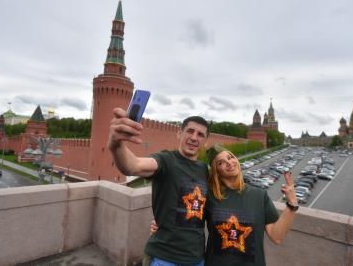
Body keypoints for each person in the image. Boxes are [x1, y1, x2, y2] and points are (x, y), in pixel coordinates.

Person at [151, 145, 298, 266]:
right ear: (216, 172)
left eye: (230, 157)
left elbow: (277, 236)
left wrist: (291, 205)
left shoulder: (259, 195)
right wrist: (161, 225)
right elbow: (185, 219)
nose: (229, 163)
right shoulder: (210, 197)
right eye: (220, 162)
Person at [108, 108, 210, 266]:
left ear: (205, 141)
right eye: (190, 131)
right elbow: (133, 166)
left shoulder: (205, 170)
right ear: (179, 134)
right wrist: (116, 145)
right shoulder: (166, 160)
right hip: (163, 257)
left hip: (196, 258)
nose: (194, 138)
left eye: (200, 135)